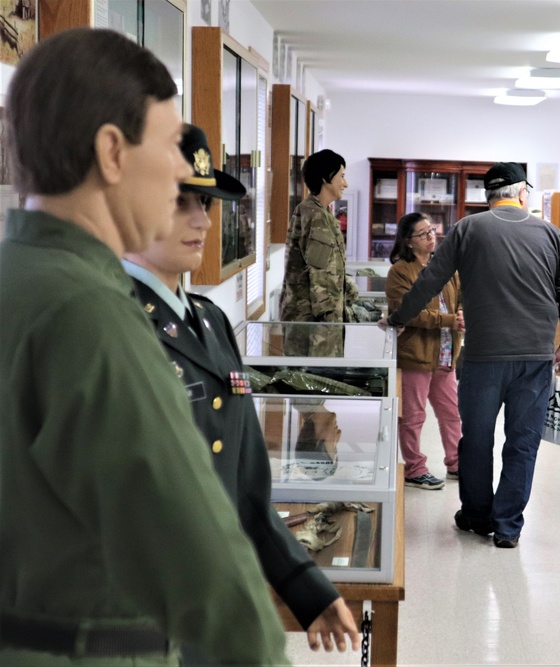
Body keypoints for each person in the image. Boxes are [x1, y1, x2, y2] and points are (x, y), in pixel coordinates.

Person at [0, 29, 288, 665]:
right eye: (170, 144)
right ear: (112, 152)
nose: (186, 171)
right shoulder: (93, 313)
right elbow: (197, 553)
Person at [122, 124, 360, 663]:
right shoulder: (106, 325)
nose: (202, 219)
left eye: (204, 202)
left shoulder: (209, 321)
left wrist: (306, 588)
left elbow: (245, 489)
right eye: (179, 201)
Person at [384, 162, 560, 548]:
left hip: (482, 358)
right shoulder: (551, 234)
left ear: (488, 196)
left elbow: (429, 280)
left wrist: (399, 318)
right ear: (523, 193)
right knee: (522, 441)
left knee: (475, 438)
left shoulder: (467, 229)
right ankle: (508, 526)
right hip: (535, 358)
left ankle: (476, 515)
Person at [385, 212, 464, 490]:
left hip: (445, 353)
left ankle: (456, 463)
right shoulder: (400, 272)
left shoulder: (445, 266)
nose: (431, 236)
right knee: (413, 416)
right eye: (423, 233)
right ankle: (414, 469)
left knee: (451, 412)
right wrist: (448, 320)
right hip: (416, 355)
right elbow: (406, 312)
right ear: (408, 241)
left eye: (431, 230)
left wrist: (462, 314)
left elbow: (460, 299)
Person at [279, 149, 359, 357]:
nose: (345, 183)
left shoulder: (314, 211)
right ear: (325, 178)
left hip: (308, 321)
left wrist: (350, 291)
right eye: (341, 176)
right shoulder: (316, 217)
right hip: (315, 327)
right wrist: (332, 324)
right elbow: (322, 279)